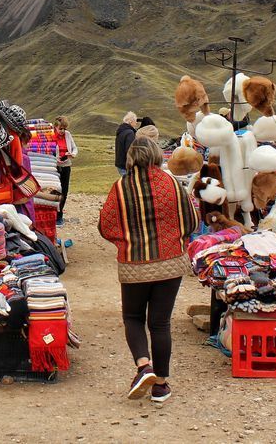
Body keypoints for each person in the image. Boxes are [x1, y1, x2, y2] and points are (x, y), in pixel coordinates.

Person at [99, 136, 198, 404]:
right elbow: (191, 222)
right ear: (156, 155)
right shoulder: (174, 185)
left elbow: (106, 226)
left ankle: (144, 367)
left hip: (134, 265)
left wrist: (126, 242)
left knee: (133, 318)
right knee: (160, 323)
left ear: (132, 157)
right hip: (170, 264)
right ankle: (161, 386)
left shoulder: (121, 187)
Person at [53, 116, 79, 225]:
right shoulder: (51, 136)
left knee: (64, 191)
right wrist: (55, 158)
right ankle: (52, 214)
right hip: (54, 166)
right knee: (54, 191)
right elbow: (47, 151)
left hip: (67, 165)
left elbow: (74, 148)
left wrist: (72, 154)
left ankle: (60, 215)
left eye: (64, 128)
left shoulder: (68, 135)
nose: (63, 131)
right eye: (61, 128)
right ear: (56, 127)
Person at [114, 111, 139, 176]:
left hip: (120, 164)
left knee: (125, 184)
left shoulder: (121, 131)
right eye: (135, 121)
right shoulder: (130, 133)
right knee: (129, 185)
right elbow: (130, 151)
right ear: (131, 121)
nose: (136, 123)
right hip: (126, 166)